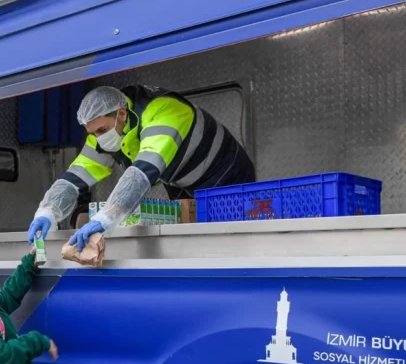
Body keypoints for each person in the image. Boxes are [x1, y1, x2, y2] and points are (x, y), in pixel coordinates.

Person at [28, 85, 256, 250]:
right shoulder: (106, 129)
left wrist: (105, 219)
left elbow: (143, 171)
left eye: (101, 131)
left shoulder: (163, 111)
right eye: (92, 133)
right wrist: (48, 211)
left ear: (122, 114)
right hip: (181, 182)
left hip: (226, 175)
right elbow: (78, 173)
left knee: (229, 241)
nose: (97, 139)